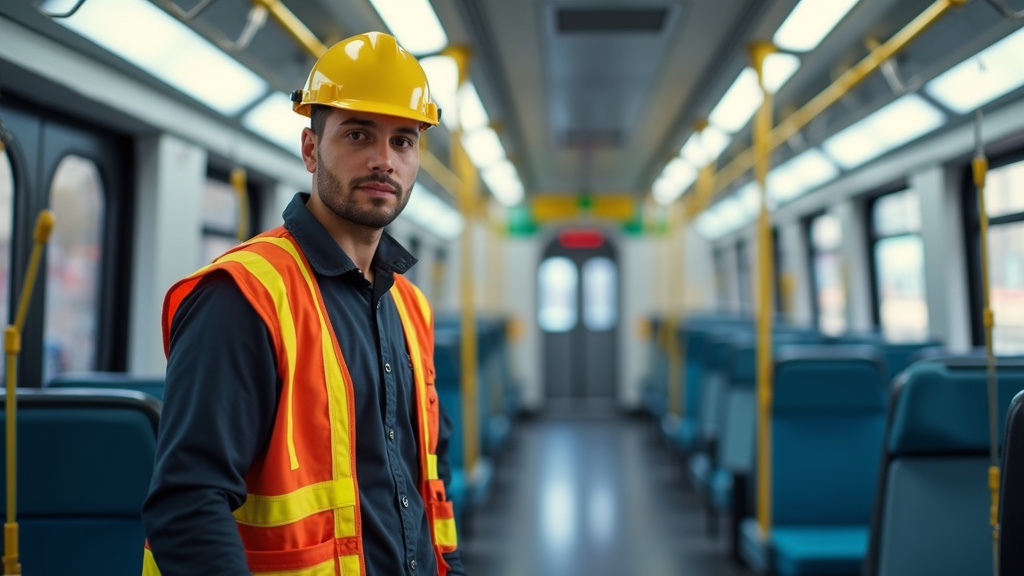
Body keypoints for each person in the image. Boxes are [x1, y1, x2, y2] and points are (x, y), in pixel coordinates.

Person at [141, 31, 465, 576]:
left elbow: (429, 478)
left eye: (403, 141)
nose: (383, 160)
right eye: (359, 135)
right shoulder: (244, 296)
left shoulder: (412, 310)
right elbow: (188, 506)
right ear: (311, 150)